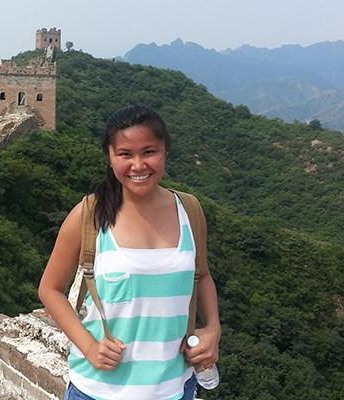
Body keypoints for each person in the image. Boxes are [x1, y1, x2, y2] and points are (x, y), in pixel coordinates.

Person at [39, 105, 221, 400]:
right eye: (125, 154)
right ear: (110, 158)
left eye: (149, 152)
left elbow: (202, 276)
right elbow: (50, 289)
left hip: (175, 387)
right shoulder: (90, 215)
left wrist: (213, 328)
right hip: (98, 390)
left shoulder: (189, 210)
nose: (138, 165)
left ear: (166, 152)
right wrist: (89, 347)